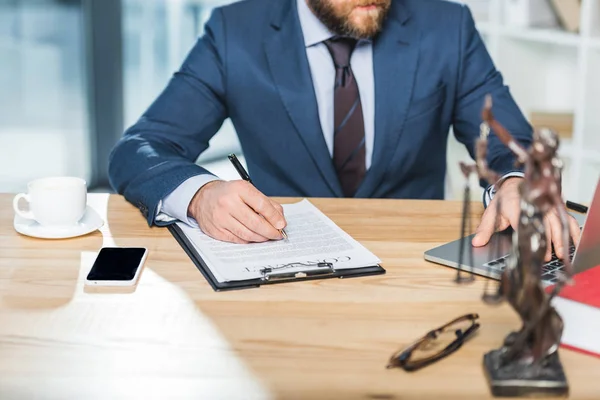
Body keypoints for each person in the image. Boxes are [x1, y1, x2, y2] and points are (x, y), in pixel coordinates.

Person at [108, 0, 579, 255]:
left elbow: (511, 146)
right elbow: (140, 147)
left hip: (416, 270)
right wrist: (199, 194)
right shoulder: (235, 32)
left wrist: (517, 182)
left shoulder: (447, 25)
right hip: (279, 263)